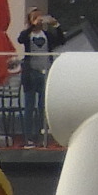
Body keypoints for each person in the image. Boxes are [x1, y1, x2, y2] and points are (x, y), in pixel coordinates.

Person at [17, 7, 63, 136]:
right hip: (30, 73)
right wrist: (32, 26)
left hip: (45, 72)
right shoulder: (27, 35)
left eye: (40, 17)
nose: (39, 20)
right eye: (35, 18)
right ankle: (28, 135)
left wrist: (56, 25)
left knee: (42, 106)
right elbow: (20, 39)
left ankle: (40, 133)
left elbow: (61, 40)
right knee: (29, 105)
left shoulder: (46, 35)